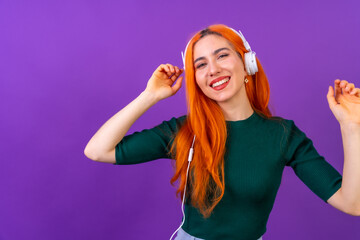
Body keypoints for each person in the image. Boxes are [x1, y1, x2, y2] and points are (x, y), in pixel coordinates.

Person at [84, 24, 360, 240]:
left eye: (222, 55)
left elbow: (352, 203)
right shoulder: (184, 130)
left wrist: (352, 127)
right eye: (201, 64)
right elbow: (98, 150)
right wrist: (149, 96)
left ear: (247, 64)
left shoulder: (284, 135)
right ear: (196, 80)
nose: (213, 69)